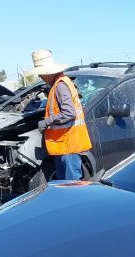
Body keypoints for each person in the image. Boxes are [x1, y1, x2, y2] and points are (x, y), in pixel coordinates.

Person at [29, 48, 92, 180]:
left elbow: (69, 113)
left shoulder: (60, 85)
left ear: (49, 72)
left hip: (68, 145)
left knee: (72, 186)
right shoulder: (59, 84)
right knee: (65, 185)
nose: (40, 76)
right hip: (64, 145)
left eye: (41, 73)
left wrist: (46, 122)